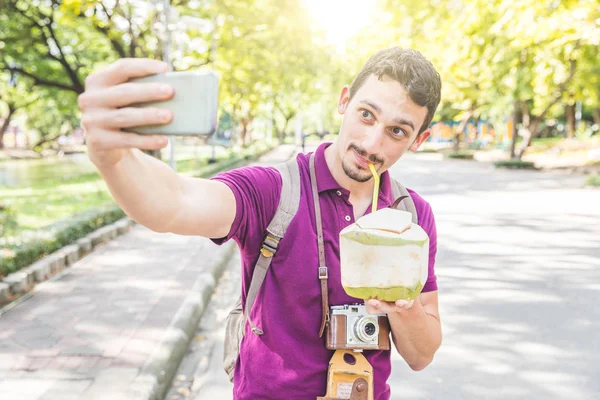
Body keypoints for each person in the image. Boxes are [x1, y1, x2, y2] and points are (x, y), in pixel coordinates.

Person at [78, 47, 442, 400]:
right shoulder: (274, 191)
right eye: (366, 114)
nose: (371, 143)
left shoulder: (410, 216)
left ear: (418, 140)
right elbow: (175, 203)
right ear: (344, 101)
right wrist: (111, 158)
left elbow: (421, 355)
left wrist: (403, 306)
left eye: (397, 132)